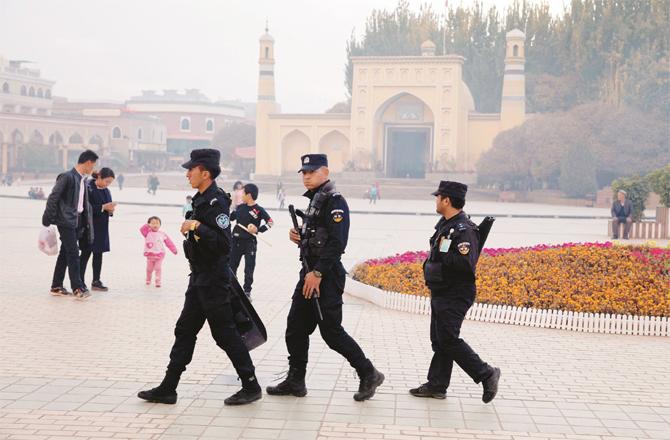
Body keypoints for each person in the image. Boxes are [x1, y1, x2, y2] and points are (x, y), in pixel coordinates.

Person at [138, 149, 262, 406]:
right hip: (199, 277)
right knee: (184, 330)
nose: (187, 174)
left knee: (225, 334)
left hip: (214, 280)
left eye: (191, 170)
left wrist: (197, 227)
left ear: (205, 172)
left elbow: (224, 244)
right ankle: (168, 387)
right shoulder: (200, 199)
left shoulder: (216, 201)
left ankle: (251, 385)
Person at [267, 153, 384, 401]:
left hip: (325, 276)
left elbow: (337, 243)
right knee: (295, 328)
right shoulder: (315, 201)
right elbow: (318, 237)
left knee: (331, 332)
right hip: (308, 273)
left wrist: (318, 273)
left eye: (312, 172)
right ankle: (296, 381)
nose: (307, 176)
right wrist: (300, 236)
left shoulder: (335, 202)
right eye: (304, 173)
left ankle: (368, 372)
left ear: (326, 173)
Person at [410, 180, 500, 403]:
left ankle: (486, 373)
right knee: (439, 340)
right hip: (442, 290)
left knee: (448, 339)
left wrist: (440, 261)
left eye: (438, 197)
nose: (436, 200)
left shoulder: (463, 230)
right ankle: (437, 385)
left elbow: (465, 263)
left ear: (447, 200)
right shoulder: (446, 225)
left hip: (456, 292)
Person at [42, 149, 98, 300]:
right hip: (66, 220)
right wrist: (47, 218)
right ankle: (78, 288)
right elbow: (53, 197)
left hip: (77, 220)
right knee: (73, 253)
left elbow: (82, 204)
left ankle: (56, 285)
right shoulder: (67, 177)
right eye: (93, 165)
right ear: (88, 163)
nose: (93, 169)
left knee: (65, 253)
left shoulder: (82, 180)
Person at [230, 183, 274, 300]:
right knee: (232, 265)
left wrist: (258, 230)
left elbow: (270, 223)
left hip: (250, 242)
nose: (241, 195)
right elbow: (230, 218)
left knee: (249, 267)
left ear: (248, 195)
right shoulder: (240, 207)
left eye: (243, 193)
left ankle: (247, 291)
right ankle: (233, 288)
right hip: (235, 241)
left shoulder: (259, 210)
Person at [80, 168, 117, 292]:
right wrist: (102, 207)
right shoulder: (88, 187)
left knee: (98, 254)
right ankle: (79, 281)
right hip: (89, 227)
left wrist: (110, 210)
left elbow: (108, 206)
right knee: (85, 254)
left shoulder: (107, 191)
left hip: (102, 227)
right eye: (106, 181)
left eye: (109, 183)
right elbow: (85, 207)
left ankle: (96, 280)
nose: (107, 185)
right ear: (99, 177)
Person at [140, 216, 178, 287]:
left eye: (157, 223)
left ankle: (158, 281)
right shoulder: (147, 233)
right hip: (150, 254)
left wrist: (174, 250)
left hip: (159, 254)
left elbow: (169, 242)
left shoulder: (162, 234)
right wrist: (147, 225)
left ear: (160, 225)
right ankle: (148, 279)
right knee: (149, 269)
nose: (155, 225)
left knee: (158, 268)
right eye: (153, 223)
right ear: (149, 225)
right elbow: (142, 229)